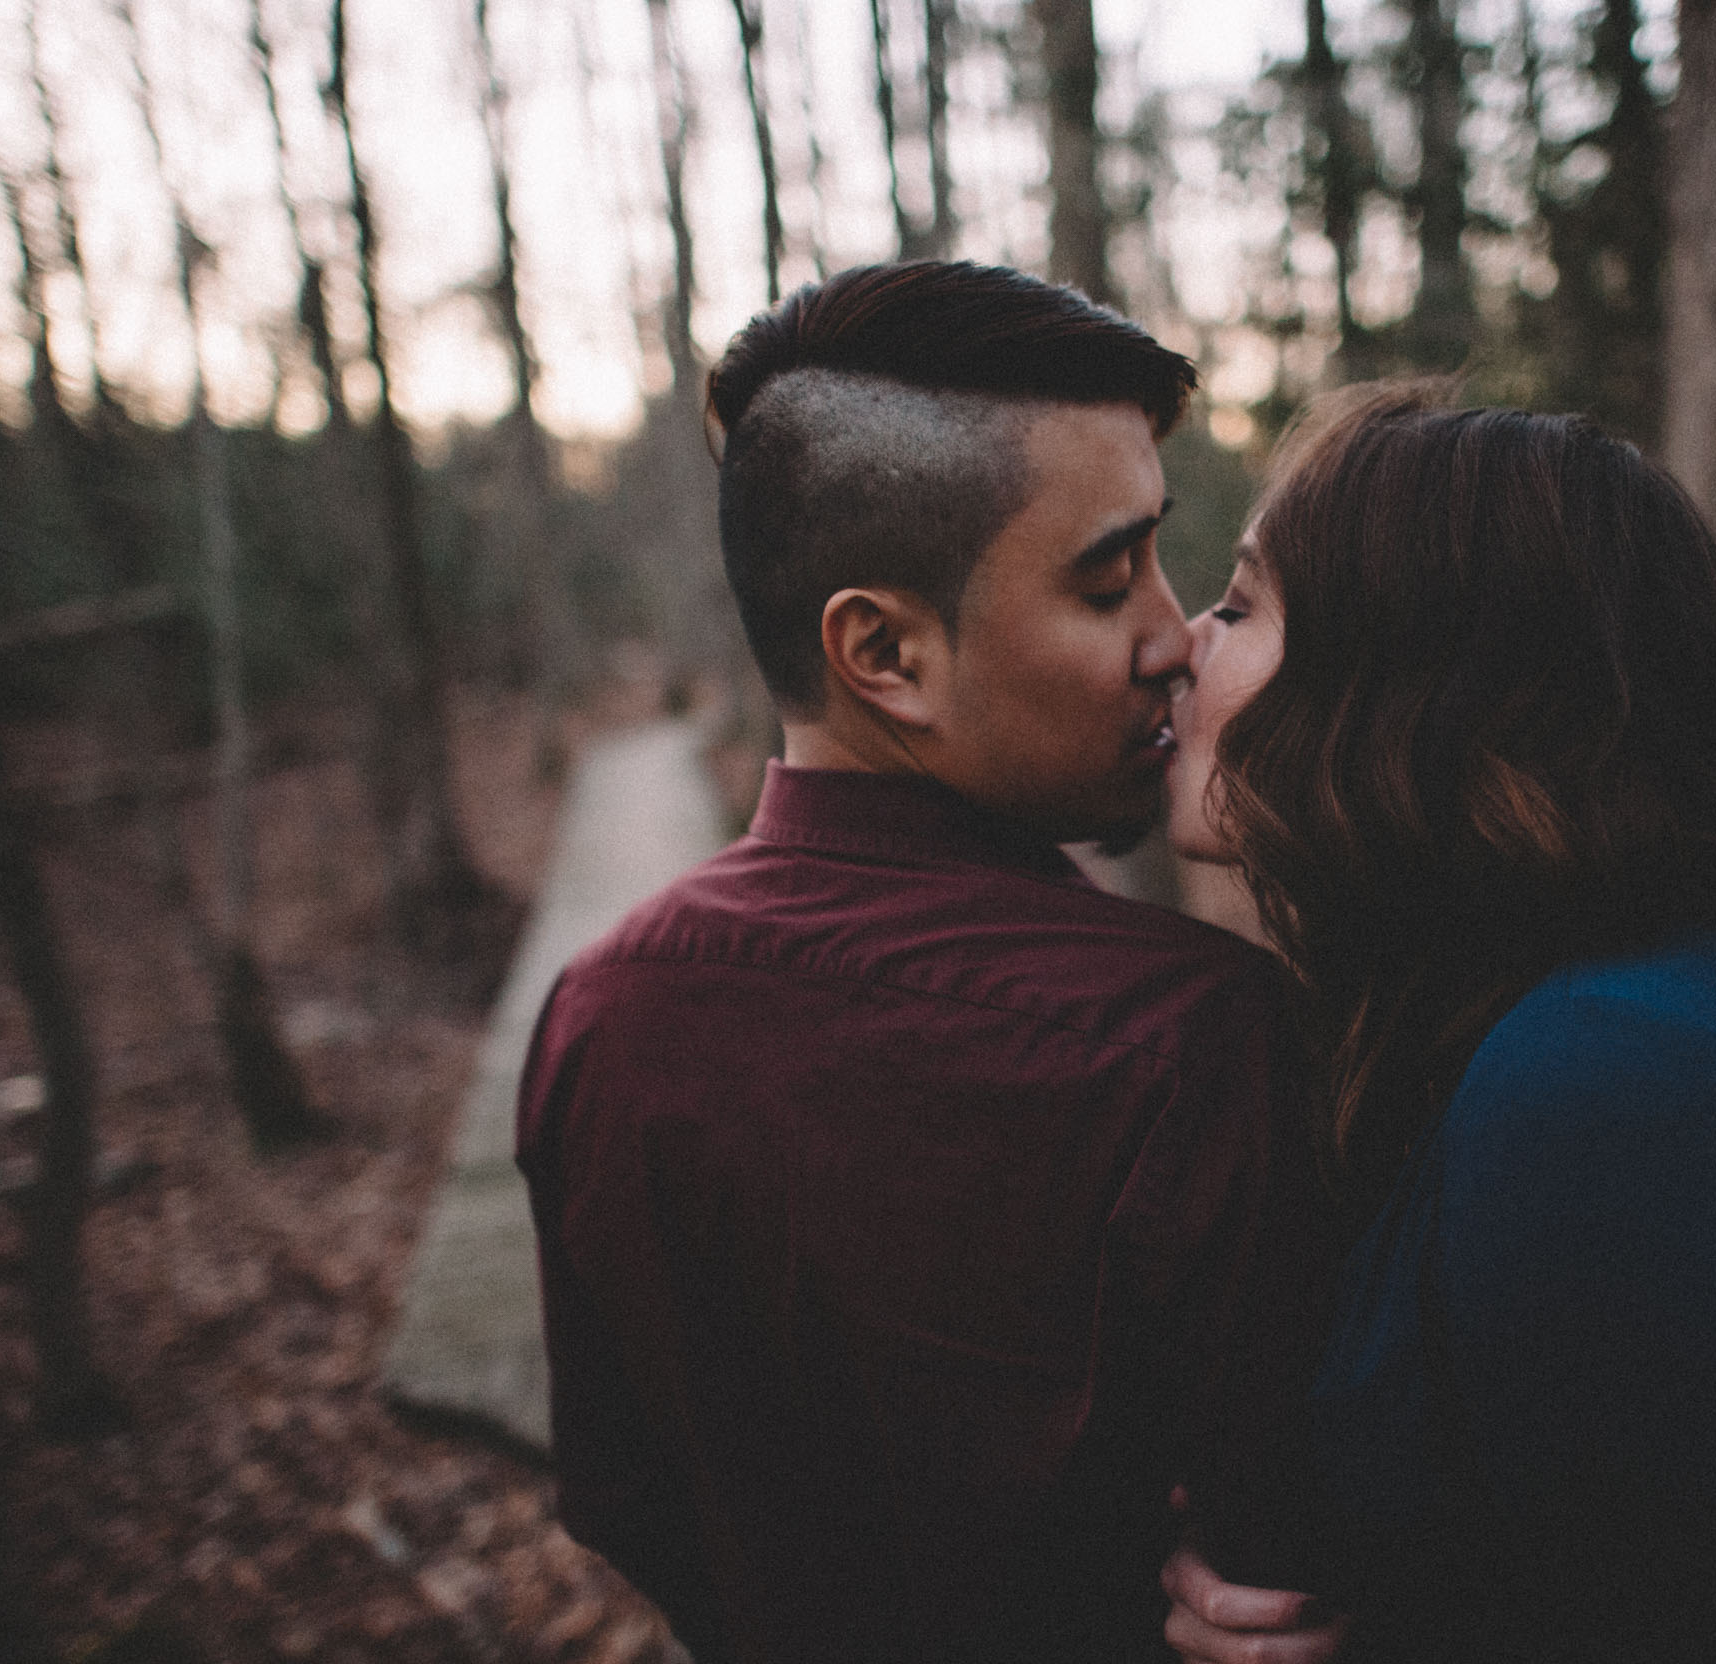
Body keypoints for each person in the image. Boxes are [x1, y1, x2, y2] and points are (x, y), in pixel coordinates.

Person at [513, 262, 1336, 1664]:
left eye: (1156, 553)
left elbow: (620, 1497)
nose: (1170, 633)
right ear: (883, 652)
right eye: (1104, 579)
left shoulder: (593, 1018)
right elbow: (1287, 1552)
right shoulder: (1191, 1044)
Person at [1157, 385, 1716, 1662]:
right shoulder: (1554, 1029)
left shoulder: (1610, 1080)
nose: (1182, 645)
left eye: (1241, 602)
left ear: (1416, 680)